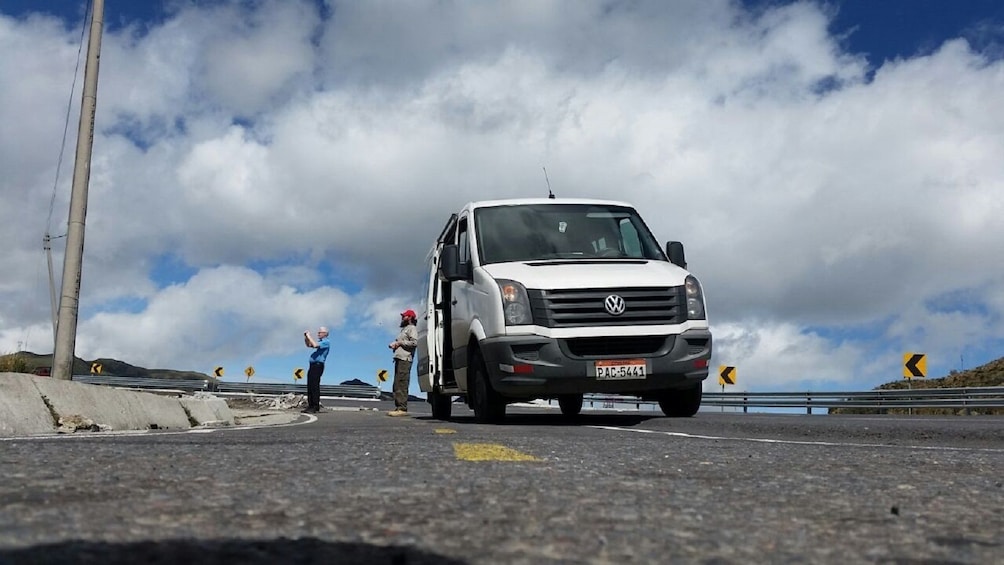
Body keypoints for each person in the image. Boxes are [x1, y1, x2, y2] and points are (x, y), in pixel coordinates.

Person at [387, 309, 418, 416]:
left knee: (402, 382)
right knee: (397, 384)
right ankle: (398, 407)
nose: (402, 318)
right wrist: (396, 345)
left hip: (405, 359)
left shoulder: (412, 328)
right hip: (399, 358)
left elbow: (414, 342)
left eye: (404, 316)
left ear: (409, 317)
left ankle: (402, 408)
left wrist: (399, 343)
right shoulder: (404, 329)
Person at [302, 326, 330, 413]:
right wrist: (306, 338)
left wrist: (309, 336)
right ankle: (310, 405)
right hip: (313, 365)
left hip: (318, 365)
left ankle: (315, 406)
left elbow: (314, 345)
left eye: (320, 332)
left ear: (325, 334)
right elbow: (309, 345)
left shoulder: (326, 342)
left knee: (314, 386)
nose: (318, 334)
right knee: (310, 385)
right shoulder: (321, 341)